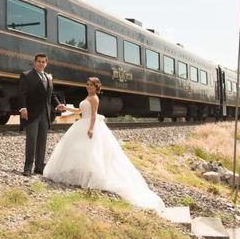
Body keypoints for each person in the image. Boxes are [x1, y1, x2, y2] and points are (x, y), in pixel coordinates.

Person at [43, 77, 165, 213]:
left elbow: (93, 115)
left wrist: (91, 128)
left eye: (91, 85)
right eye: (87, 84)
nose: (88, 87)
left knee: (92, 151)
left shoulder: (94, 98)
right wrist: (65, 108)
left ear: (96, 87)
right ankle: (82, 174)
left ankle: (91, 177)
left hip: (89, 124)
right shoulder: (88, 97)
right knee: (82, 151)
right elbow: (79, 111)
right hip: (82, 123)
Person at [18, 53, 65, 176]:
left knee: (42, 141)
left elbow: (51, 94)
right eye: (39, 61)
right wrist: (23, 108)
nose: (41, 63)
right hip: (32, 113)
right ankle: (27, 168)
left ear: (46, 64)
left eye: (43, 62)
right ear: (35, 62)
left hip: (45, 114)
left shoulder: (48, 77)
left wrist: (57, 104)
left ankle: (39, 167)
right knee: (31, 140)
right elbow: (22, 94)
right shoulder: (26, 75)